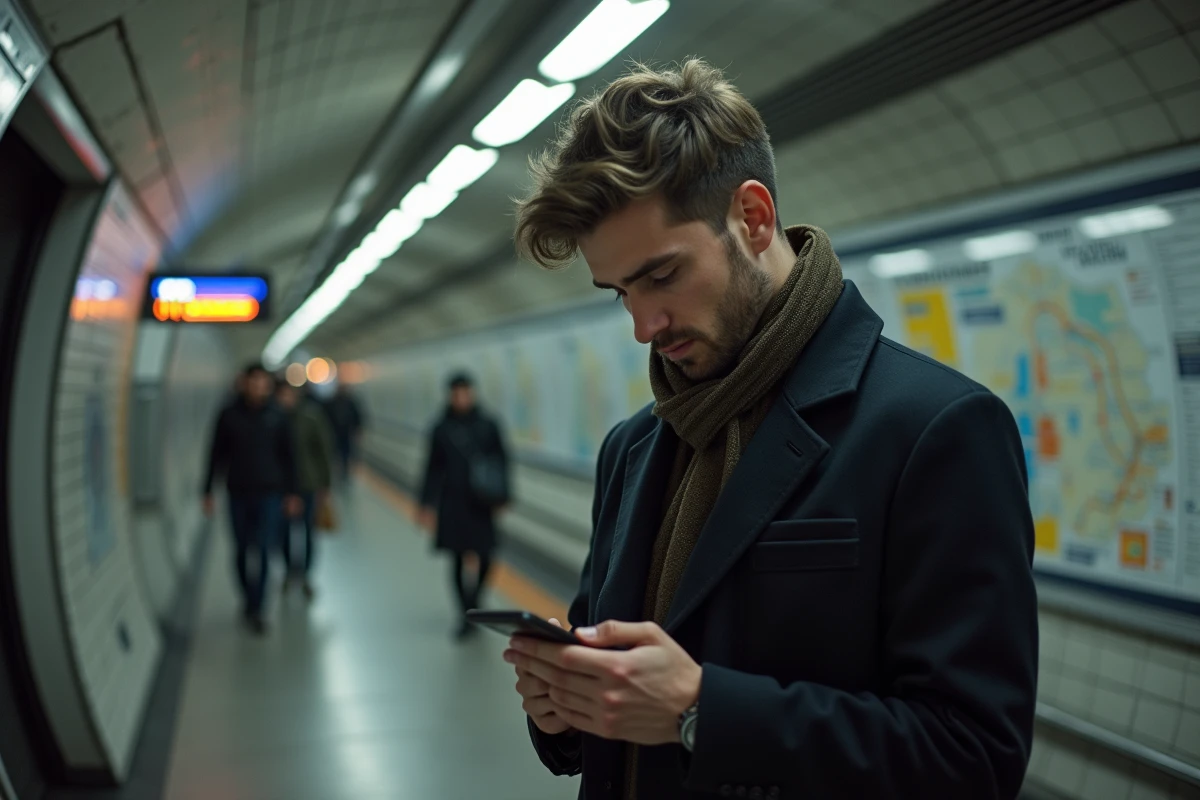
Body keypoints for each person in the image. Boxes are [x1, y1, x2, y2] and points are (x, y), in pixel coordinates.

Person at [504, 59, 1038, 799]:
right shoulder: (635, 448)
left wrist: (701, 712)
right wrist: (564, 711)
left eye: (661, 276)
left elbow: (973, 757)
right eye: (620, 292)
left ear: (752, 219)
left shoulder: (933, 431)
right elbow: (610, 703)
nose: (641, 325)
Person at [203, 363, 301, 634]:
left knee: (264, 549)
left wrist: (292, 493)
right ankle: (247, 595)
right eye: (254, 382)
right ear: (245, 383)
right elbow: (215, 454)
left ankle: (258, 607)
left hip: (270, 493)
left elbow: (289, 457)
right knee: (241, 549)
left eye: (263, 382)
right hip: (238, 493)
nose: (259, 387)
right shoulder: (229, 416)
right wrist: (207, 490)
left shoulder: (278, 416)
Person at [418, 372, 510, 639]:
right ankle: (465, 613)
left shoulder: (488, 424)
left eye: (465, 392)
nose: (461, 398)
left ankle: (475, 599)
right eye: (456, 393)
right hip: (453, 502)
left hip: (482, 502)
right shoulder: (441, 427)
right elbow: (432, 467)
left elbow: (502, 461)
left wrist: (503, 496)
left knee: (487, 555)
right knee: (457, 557)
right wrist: (426, 503)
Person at [275, 379, 335, 600]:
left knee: (308, 532)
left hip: (308, 484)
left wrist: (325, 485)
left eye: (288, 394)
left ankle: (306, 574)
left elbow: (323, 451)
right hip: (280, 487)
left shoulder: (310, 417)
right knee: (283, 533)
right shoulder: (274, 420)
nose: (285, 399)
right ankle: (290, 570)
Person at [323, 382, 365, 484]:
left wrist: (357, 430)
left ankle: (343, 472)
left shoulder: (349, 402)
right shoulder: (334, 402)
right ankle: (339, 471)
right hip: (336, 434)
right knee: (338, 454)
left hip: (346, 434)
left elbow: (357, 417)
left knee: (345, 454)